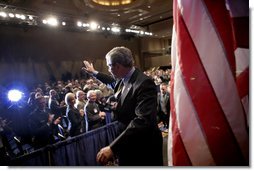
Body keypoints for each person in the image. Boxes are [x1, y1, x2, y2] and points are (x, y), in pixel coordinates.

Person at [82, 46, 163, 166]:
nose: (109, 69)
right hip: (129, 143)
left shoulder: (144, 83)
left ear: (118, 66)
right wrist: (94, 73)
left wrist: (113, 148)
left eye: (109, 66)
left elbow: (142, 120)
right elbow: (111, 82)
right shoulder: (123, 79)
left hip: (143, 147)